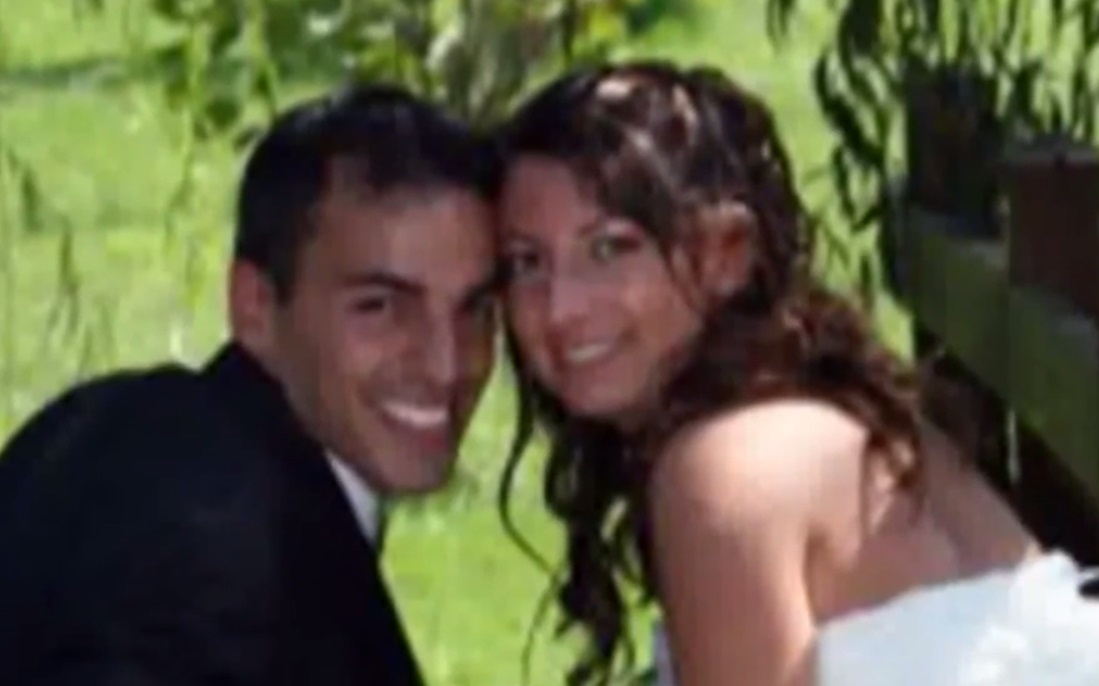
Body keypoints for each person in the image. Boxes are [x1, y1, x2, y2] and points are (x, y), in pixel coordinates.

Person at [492, 60, 1099, 686]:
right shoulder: (845, 414)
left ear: (726, 253)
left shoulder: (724, 470)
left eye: (610, 248)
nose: (561, 308)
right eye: (527, 262)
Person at [0, 82, 500, 685]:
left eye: (475, 308)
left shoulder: (111, 425)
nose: (448, 364)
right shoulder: (226, 572)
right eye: (381, 306)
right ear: (255, 306)